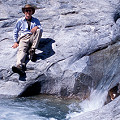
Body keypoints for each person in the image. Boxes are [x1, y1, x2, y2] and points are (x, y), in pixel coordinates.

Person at [12, 4, 43, 75]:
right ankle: (19, 66)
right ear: (24, 12)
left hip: (32, 37)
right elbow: (15, 31)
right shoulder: (20, 21)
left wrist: (36, 27)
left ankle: (32, 50)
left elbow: (41, 29)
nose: (28, 12)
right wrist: (16, 42)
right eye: (26, 10)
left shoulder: (36, 20)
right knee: (21, 50)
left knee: (38, 31)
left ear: (32, 12)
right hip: (24, 38)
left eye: (29, 10)